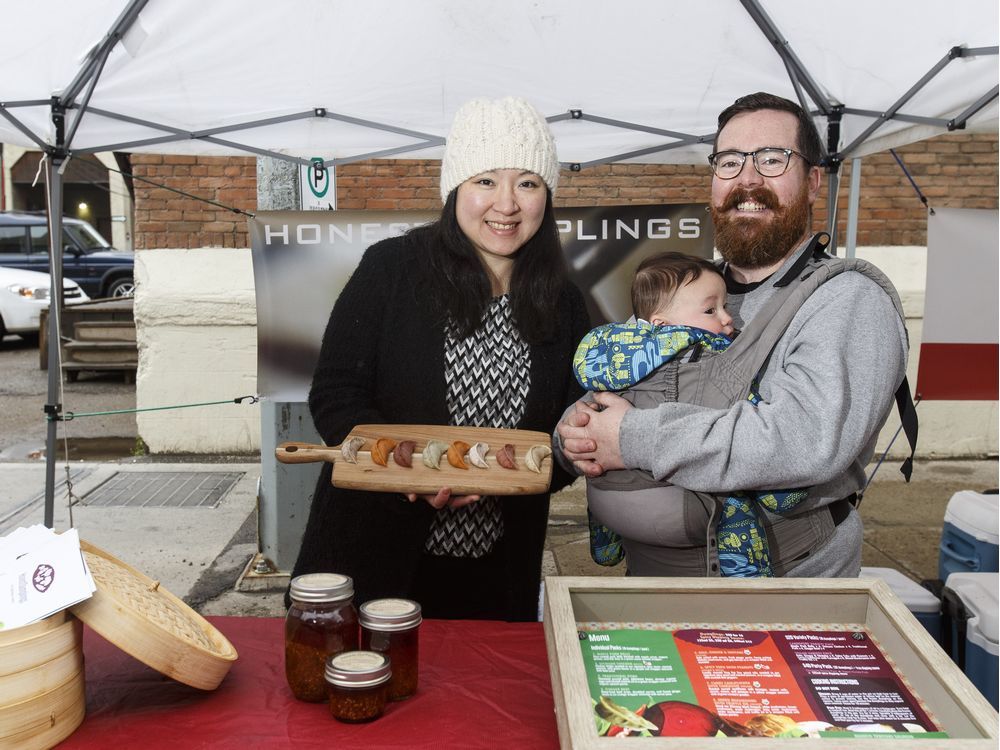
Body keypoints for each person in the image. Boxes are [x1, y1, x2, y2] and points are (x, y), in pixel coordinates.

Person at [557, 92, 909, 578]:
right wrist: (577, 431)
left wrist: (632, 437)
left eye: (772, 159)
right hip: (649, 580)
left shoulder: (845, 299)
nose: (747, 179)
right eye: (729, 161)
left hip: (780, 593)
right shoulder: (688, 289)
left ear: (812, 182)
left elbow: (802, 440)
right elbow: (624, 386)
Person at [290, 96, 591, 621]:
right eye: (485, 181)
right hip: (374, 551)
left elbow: (568, 429)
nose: (506, 205)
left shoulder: (562, 301)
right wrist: (408, 474)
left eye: (527, 183)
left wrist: (526, 471)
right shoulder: (392, 269)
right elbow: (336, 395)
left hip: (496, 569)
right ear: (455, 189)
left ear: (547, 195)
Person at [574, 252, 807, 577]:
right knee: (737, 500)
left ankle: (606, 545)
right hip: (675, 499)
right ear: (662, 324)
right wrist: (785, 488)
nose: (727, 319)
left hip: (611, 495)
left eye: (725, 306)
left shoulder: (612, 359)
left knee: (600, 470)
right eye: (711, 310)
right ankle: (748, 581)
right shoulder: (707, 362)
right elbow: (746, 416)